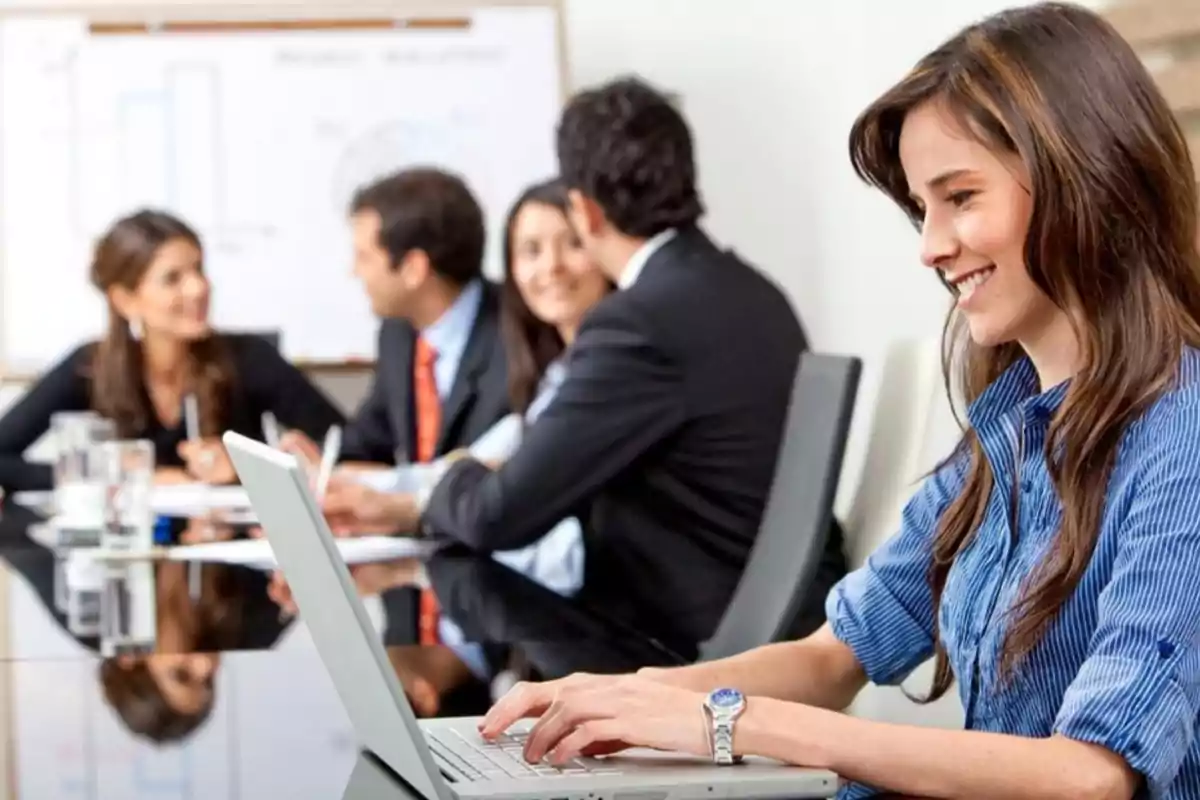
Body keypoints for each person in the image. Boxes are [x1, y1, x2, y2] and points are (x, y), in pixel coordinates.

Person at [474, 4, 1200, 798]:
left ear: (1084, 178)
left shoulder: (1181, 430)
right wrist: (626, 697)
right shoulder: (1012, 427)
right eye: (923, 208)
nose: (929, 246)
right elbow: (831, 658)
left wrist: (729, 723)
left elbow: (1089, 777)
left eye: (960, 197)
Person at [414, 76, 837, 654]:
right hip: (771, 625)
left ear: (584, 211)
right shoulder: (753, 291)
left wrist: (448, 475)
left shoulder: (640, 322)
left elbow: (498, 516)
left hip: (684, 646)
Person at [281, 177, 613, 715]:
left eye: (571, 244)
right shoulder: (554, 370)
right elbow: (479, 462)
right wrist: (365, 496)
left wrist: (400, 520)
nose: (549, 267)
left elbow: (519, 506)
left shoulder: (569, 356)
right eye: (528, 251)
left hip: (599, 628)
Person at [0, 210, 345, 491]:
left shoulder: (248, 357)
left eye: (199, 269)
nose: (198, 288)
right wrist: (112, 476)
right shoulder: (91, 365)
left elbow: (345, 446)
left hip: (234, 565)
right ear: (125, 300)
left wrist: (251, 467)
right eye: (172, 278)